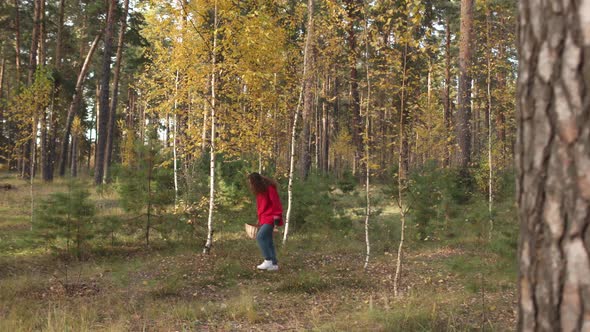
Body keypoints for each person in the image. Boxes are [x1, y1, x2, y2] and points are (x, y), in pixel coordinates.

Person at [248, 172, 283, 271]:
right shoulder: (260, 191)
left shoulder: (270, 188)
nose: (250, 185)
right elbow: (261, 207)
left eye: (251, 182)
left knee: (260, 237)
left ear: (256, 181)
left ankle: (268, 260)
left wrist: (276, 217)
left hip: (271, 218)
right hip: (264, 218)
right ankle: (274, 264)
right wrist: (260, 219)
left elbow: (276, 202)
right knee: (268, 241)